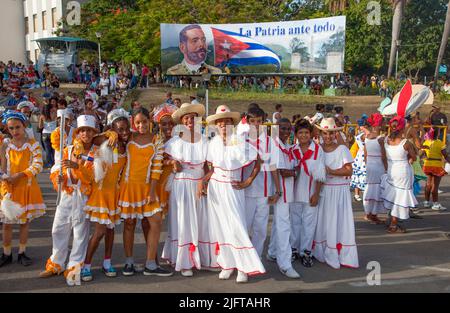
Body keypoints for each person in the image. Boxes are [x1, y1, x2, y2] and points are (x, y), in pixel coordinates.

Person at [204, 105, 265, 283]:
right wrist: (204, 180)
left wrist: (248, 181)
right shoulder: (213, 142)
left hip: (233, 187)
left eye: (227, 122)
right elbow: (211, 166)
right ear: (216, 125)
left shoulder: (239, 141)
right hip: (216, 187)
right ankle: (227, 264)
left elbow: (257, 160)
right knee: (221, 226)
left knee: (237, 226)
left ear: (232, 124)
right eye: (220, 122)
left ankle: (243, 267)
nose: (223, 125)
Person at [39, 115, 98, 285]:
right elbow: (58, 167)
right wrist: (58, 177)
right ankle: (56, 263)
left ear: (93, 133)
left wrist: (78, 167)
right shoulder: (69, 149)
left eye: (89, 130)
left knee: (80, 233)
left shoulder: (97, 152)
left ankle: (74, 267)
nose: (85, 133)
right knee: (58, 228)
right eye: (82, 130)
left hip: (84, 196)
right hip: (66, 195)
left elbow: (95, 176)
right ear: (78, 133)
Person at [117, 107, 173, 277]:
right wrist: (112, 134)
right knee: (129, 224)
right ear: (133, 122)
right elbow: (105, 139)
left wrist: (152, 190)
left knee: (156, 221)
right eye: (138, 122)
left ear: (150, 121)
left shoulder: (157, 140)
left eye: (144, 121)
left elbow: (156, 168)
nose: (141, 125)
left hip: (147, 188)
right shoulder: (128, 137)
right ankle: (129, 262)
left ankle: (150, 264)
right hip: (128, 187)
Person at [162, 103, 215, 276]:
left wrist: (205, 183)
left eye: (193, 117)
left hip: (199, 183)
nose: (190, 120)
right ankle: (184, 261)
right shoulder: (174, 142)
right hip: (181, 184)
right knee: (182, 220)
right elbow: (162, 160)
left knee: (200, 220)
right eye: (187, 118)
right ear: (182, 121)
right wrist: (172, 162)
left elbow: (209, 166)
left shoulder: (205, 140)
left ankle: (200, 258)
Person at [81, 110, 131, 282]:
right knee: (100, 230)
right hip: (100, 192)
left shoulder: (127, 144)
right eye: (120, 129)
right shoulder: (106, 140)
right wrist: (110, 133)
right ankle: (86, 265)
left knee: (110, 230)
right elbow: (94, 139)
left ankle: (107, 262)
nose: (123, 133)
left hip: (115, 193)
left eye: (126, 129)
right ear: (112, 128)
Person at [0, 111, 46, 267]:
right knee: (7, 223)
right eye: (11, 128)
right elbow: (3, 166)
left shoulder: (32, 144)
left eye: (17, 127)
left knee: (24, 222)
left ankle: (21, 252)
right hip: (9, 187)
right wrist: (5, 179)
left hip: (26, 186)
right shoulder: (6, 144)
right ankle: (6, 254)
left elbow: (38, 165)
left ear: (24, 126)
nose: (14, 131)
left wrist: (20, 175)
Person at [313, 118, 359, 269]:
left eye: (331, 134)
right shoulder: (318, 149)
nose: (328, 136)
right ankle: (322, 252)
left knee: (338, 221)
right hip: (325, 190)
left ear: (335, 135)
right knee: (325, 221)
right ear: (320, 133)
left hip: (339, 191)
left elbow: (349, 170)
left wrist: (331, 171)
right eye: (325, 133)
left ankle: (339, 255)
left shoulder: (342, 149)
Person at [242, 107, 279, 259]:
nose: (256, 124)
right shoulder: (241, 139)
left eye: (259, 121)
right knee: (245, 227)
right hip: (246, 190)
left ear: (264, 122)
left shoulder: (270, 141)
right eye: (252, 121)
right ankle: (243, 259)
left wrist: (277, 190)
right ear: (247, 122)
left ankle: (256, 259)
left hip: (264, 191)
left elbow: (273, 166)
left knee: (261, 229)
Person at [266, 118, 301, 278]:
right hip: (279, 191)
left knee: (280, 224)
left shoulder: (286, 146)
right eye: (283, 128)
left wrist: (293, 171)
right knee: (284, 226)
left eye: (288, 129)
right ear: (276, 128)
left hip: (285, 190)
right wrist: (294, 172)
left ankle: (273, 252)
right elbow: (281, 171)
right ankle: (285, 264)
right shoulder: (275, 145)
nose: (286, 132)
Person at [290, 119, 326, 268]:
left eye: (306, 132)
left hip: (311, 192)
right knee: (294, 222)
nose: (304, 135)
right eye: (300, 133)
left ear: (311, 134)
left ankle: (306, 251)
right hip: (294, 193)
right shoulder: (292, 150)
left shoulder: (317, 150)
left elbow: (320, 174)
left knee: (309, 223)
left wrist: (316, 194)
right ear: (296, 135)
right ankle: (293, 249)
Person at [380, 116, 418, 233]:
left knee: (393, 194)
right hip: (403, 171)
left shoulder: (385, 140)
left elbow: (383, 157)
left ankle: (392, 219)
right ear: (402, 128)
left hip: (391, 170)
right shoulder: (405, 143)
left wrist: (387, 169)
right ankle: (393, 224)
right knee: (399, 197)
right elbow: (414, 157)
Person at [362, 113, 387, 224]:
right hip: (378, 166)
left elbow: (365, 154)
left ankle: (368, 213)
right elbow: (383, 156)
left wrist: (367, 164)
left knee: (369, 188)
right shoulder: (380, 139)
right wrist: (386, 169)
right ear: (379, 125)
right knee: (377, 189)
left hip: (370, 165)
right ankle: (373, 214)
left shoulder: (366, 137)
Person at [421, 127, 450, 211]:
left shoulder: (426, 142)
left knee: (428, 184)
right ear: (438, 134)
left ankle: (426, 202)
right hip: (437, 165)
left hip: (427, 165)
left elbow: (422, 154)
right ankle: (435, 204)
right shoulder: (440, 143)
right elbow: (445, 155)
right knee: (435, 186)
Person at [351, 117, 370, 202]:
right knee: (363, 173)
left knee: (358, 174)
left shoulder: (358, 135)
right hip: (363, 155)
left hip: (359, 155)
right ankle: (362, 192)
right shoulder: (363, 135)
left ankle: (357, 194)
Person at [39, 102, 58, 168]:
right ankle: (55, 162)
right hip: (53, 133)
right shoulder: (55, 115)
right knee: (54, 149)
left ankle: (49, 164)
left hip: (45, 134)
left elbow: (40, 126)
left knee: (47, 150)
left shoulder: (42, 116)